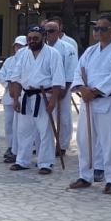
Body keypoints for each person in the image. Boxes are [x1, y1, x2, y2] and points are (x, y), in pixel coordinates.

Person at [69, 14, 111, 194]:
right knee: (84, 140)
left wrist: (95, 91)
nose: (97, 32)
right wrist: (82, 89)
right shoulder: (90, 51)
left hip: (107, 101)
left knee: (109, 142)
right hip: (88, 102)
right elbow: (78, 71)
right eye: (95, 28)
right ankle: (85, 175)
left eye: (102, 28)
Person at [7, 26, 65, 175]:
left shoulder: (53, 54)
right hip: (25, 95)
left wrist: (53, 102)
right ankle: (22, 160)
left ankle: (46, 163)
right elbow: (16, 77)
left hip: (44, 96)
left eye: (35, 38)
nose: (32, 41)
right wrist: (15, 98)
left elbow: (58, 79)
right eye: (29, 38)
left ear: (43, 37)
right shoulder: (22, 54)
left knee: (45, 130)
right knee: (23, 130)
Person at [44, 21, 77, 158]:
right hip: (45, 89)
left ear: (58, 32)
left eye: (52, 31)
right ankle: (46, 144)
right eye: (46, 31)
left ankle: (62, 145)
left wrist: (64, 89)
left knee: (63, 117)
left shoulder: (67, 47)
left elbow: (71, 69)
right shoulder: (42, 48)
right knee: (45, 118)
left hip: (63, 87)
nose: (48, 34)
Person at [0, 36, 27, 162]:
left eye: (21, 46)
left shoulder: (27, 59)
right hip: (9, 96)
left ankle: (21, 148)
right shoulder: (9, 60)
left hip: (22, 95)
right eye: (16, 46)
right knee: (9, 124)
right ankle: (10, 146)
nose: (18, 48)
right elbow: (1, 75)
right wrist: (9, 86)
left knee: (21, 125)